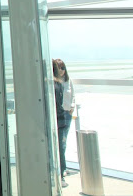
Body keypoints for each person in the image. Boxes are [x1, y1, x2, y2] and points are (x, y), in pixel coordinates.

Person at [53, 58, 74, 188]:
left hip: (64, 115)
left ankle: (62, 170)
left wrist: (72, 107)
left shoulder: (63, 82)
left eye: (63, 68)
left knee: (62, 144)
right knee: (60, 145)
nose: (61, 70)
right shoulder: (56, 84)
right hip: (60, 117)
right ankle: (60, 173)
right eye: (59, 68)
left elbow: (72, 94)